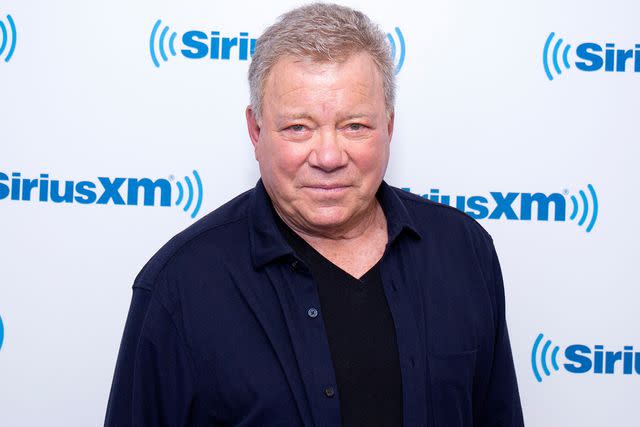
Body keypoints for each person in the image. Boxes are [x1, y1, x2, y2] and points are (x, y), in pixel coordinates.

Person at [104, 3, 524, 426]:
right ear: (256, 131)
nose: (328, 156)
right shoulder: (179, 285)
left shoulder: (464, 251)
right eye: (298, 128)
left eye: (355, 126)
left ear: (389, 128)